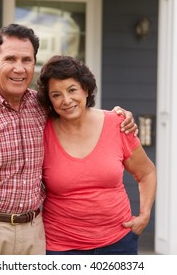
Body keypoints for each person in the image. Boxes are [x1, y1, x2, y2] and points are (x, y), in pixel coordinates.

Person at [0, 24, 137, 255]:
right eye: (10, 59)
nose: (19, 69)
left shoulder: (40, 105)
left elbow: (74, 108)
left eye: (27, 60)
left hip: (34, 232)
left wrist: (117, 115)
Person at [37, 55, 157, 255]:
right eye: (56, 94)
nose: (66, 100)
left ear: (85, 89)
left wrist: (144, 215)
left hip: (119, 243)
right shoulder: (41, 132)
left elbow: (146, 173)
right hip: (61, 247)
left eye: (72, 90)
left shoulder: (117, 124)